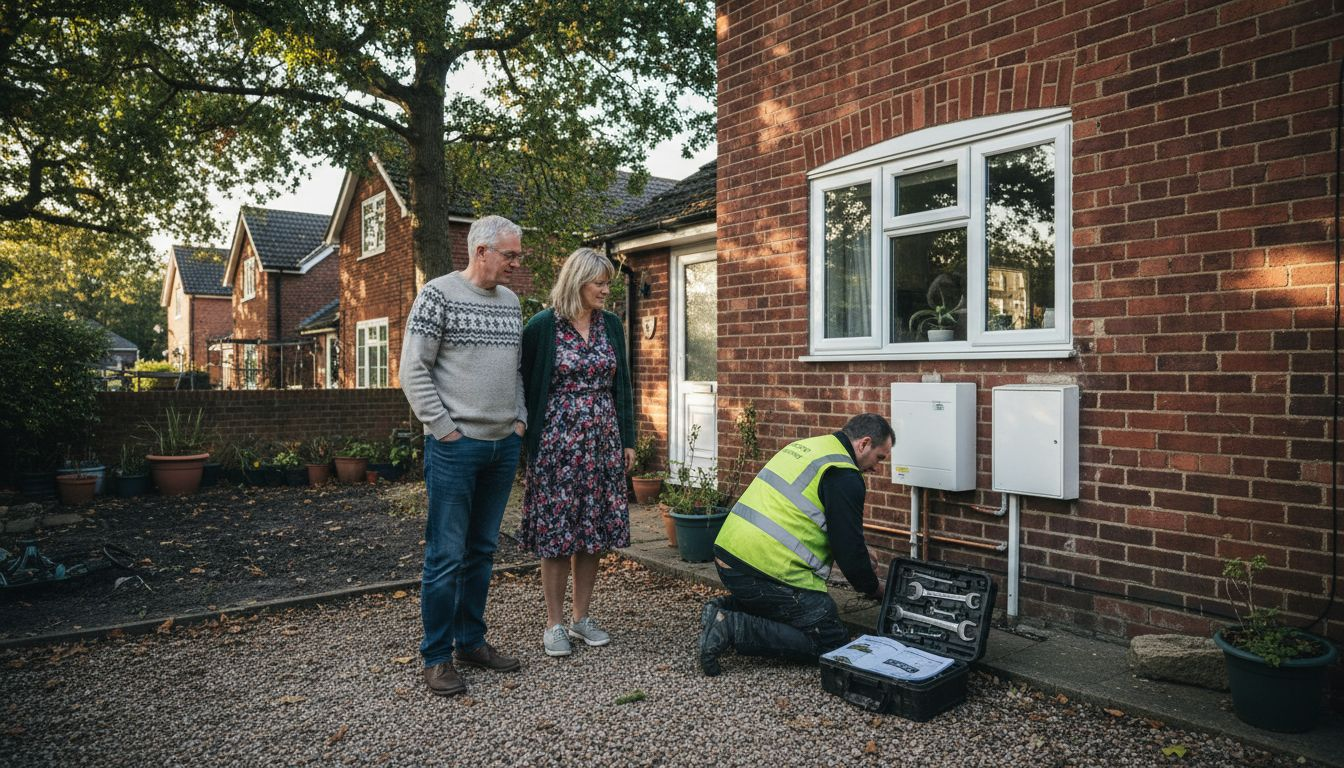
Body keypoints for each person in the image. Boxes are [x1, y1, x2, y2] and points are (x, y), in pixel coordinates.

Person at [400, 215, 528, 697]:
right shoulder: (438, 295)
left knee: (482, 551)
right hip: (456, 448)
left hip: (502, 446)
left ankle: (470, 641)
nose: (517, 263)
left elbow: (515, 370)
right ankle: (436, 657)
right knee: (445, 555)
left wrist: (519, 419)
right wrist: (444, 429)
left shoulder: (511, 303)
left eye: (517, 255)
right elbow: (412, 369)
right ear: (481, 251)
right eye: (510, 255)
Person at [697, 413, 894, 676]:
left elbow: (813, 520)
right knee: (830, 640)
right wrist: (875, 589)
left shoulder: (807, 447)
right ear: (864, 444)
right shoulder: (844, 475)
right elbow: (848, 553)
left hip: (729, 556)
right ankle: (731, 627)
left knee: (800, 610)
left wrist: (859, 550)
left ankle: (722, 610)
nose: (877, 468)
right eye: (879, 458)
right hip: (761, 569)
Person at [519, 247, 635, 658]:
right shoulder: (541, 327)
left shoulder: (612, 326)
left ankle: (581, 618)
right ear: (577, 282)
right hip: (556, 445)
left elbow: (623, 386)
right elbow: (524, 385)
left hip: (601, 442)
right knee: (557, 534)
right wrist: (525, 440)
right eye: (599, 283)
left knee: (592, 532)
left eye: (608, 283)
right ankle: (553, 624)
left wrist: (627, 438)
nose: (606, 290)